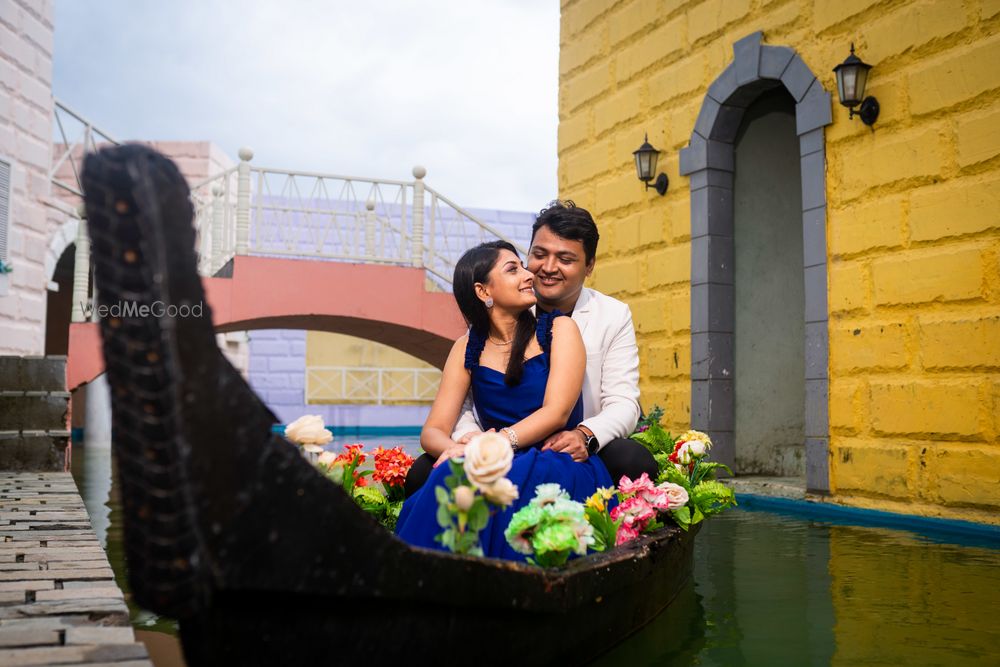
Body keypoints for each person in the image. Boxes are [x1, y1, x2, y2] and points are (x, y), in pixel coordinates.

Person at [403, 201, 657, 498]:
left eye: (565, 259)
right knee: (423, 472)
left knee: (633, 461)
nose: (547, 268)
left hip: (569, 441)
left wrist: (584, 435)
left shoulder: (610, 315)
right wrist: (471, 442)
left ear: (589, 266)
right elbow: (467, 402)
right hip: (497, 442)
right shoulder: (502, 311)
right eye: (538, 255)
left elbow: (623, 402)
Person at [395, 241, 613, 560]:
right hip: (494, 456)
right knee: (450, 473)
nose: (529, 274)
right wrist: (458, 449)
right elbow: (432, 432)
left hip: (556, 457)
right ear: (484, 292)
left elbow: (557, 412)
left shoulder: (559, 329)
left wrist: (498, 443)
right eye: (513, 269)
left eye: (523, 266)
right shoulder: (466, 347)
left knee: (499, 482)